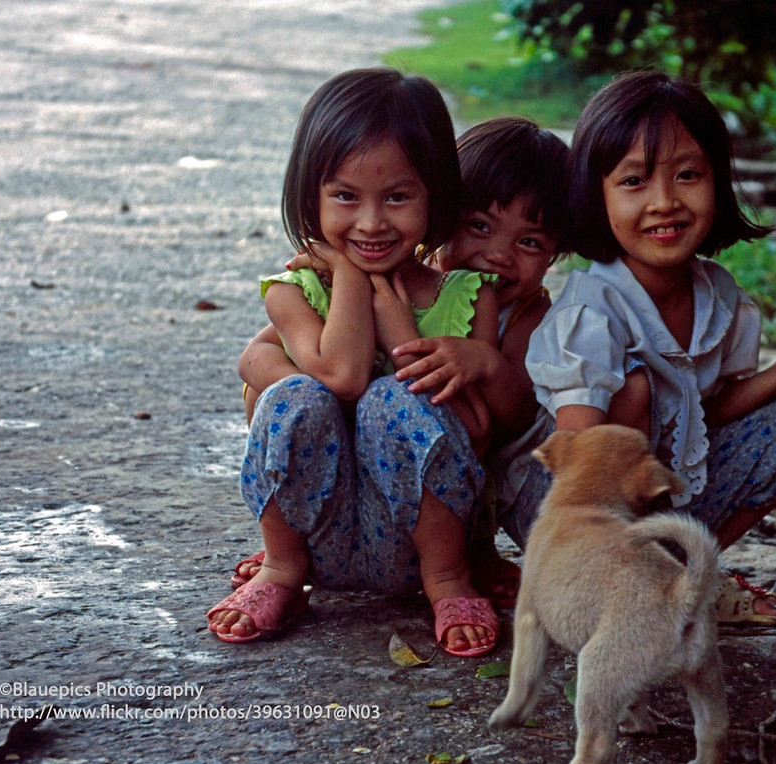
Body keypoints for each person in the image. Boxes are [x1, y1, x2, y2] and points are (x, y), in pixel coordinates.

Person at [503, 71, 776, 624]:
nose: (664, 202)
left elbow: (704, 413)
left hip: (661, 498)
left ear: (719, 181)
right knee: (635, 388)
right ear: (596, 195)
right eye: (633, 181)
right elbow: (577, 455)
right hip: (567, 505)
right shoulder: (592, 310)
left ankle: (688, 572)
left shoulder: (719, 296)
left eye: (688, 175)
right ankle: (621, 586)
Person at [206, 67, 502, 656]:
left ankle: (449, 582)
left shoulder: (467, 298)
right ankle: (281, 569)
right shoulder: (293, 293)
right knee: (294, 396)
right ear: (310, 198)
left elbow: (477, 430)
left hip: (418, 549)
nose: (371, 223)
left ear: (435, 196)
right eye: (345, 196)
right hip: (318, 542)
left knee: (393, 397)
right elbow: (336, 377)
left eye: (397, 197)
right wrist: (346, 275)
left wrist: (396, 337)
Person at [235, 116, 571, 609]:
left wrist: (483, 362)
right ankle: (287, 550)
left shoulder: (518, 312)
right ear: (443, 213)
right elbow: (257, 356)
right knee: (293, 399)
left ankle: (468, 557)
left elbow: (502, 426)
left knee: (423, 418)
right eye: (479, 226)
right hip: (349, 475)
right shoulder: (396, 280)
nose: (499, 255)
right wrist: (318, 391)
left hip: (457, 486)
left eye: (530, 243)